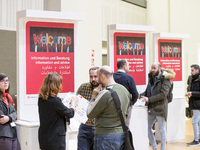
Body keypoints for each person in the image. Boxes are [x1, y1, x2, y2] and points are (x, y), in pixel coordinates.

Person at [87, 66, 130, 150]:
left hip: (104, 136)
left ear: (102, 76)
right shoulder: (124, 90)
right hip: (120, 134)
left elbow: (89, 114)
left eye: (97, 76)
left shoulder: (105, 93)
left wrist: (93, 96)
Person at [38, 73, 78, 150]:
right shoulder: (55, 101)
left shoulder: (41, 99)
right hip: (55, 139)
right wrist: (73, 103)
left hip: (44, 137)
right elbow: (70, 113)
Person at [140, 62, 175, 150]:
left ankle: (162, 149)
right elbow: (148, 92)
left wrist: (149, 99)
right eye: (152, 68)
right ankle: (155, 147)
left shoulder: (165, 79)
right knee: (147, 128)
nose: (152, 70)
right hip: (151, 108)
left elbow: (163, 94)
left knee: (162, 130)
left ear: (160, 69)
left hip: (160, 108)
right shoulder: (151, 78)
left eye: (154, 68)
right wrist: (139, 95)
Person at [77, 67, 99, 150]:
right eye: (91, 77)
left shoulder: (105, 89)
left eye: (95, 76)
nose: (93, 79)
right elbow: (76, 101)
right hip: (85, 127)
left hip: (98, 128)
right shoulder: (83, 87)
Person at [113, 59, 138, 126]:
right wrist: (131, 103)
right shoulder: (129, 78)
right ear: (124, 67)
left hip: (113, 104)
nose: (129, 67)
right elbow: (135, 94)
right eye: (128, 65)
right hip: (126, 105)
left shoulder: (112, 76)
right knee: (125, 126)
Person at [0, 73, 21, 150]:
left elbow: (15, 113)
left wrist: (9, 118)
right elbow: (1, 118)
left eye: (7, 80)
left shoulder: (8, 97)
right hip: (3, 134)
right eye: (2, 81)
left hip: (13, 133)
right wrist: (11, 117)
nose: (5, 83)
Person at [186, 64, 200, 146]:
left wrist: (192, 93)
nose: (191, 72)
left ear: (197, 70)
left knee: (194, 121)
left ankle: (196, 140)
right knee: (198, 121)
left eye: (192, 70)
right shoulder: (190, 78)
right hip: (193, 103)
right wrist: (188, 92)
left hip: (198, 103)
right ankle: (198, 138)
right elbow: (189, 87)